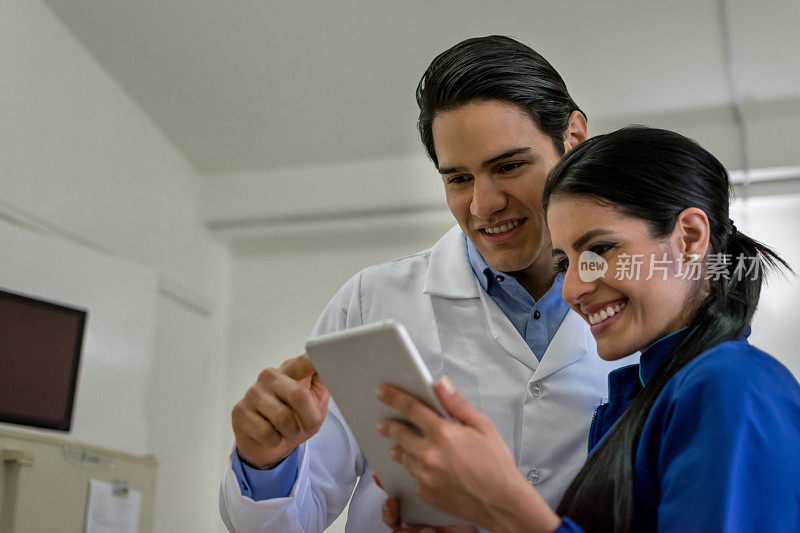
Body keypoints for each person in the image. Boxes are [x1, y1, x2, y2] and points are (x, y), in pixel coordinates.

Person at [219, 36, 637, 532]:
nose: (483, 205)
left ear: (572, 139)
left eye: (508, 167)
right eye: (458, 179)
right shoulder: (371, 301)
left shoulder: (641, 306)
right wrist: (264, 459)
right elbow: (289, 523)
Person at [377, 127, 800, 532]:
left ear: (689, 237)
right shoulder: (645, 397)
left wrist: (508, 503)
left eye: (600, 250)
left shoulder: (730, 385)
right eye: (565, 263)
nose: (575, 288)